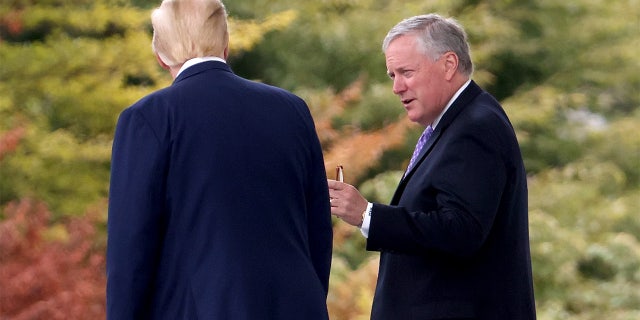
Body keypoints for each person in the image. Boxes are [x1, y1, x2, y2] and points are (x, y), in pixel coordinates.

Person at [106, 0, 332, 319]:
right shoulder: (292, 110)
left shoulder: (148, 119)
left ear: (161, 55)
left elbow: (130, 251)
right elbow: (318, 231)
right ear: (225, 46)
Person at [328, 14, 536, 319]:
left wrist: (367, 215)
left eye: (406, 72)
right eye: (392, 75)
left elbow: (461, 231)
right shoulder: (459, 122)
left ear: (449, 64)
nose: (397, 87)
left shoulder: (475, 126)